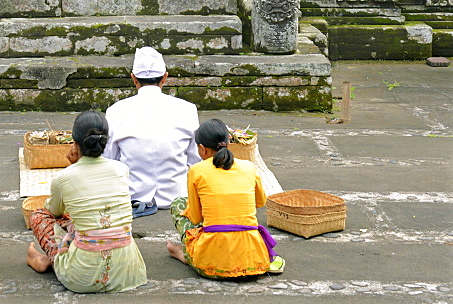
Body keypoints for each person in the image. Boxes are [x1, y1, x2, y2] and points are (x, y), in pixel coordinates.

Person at [27, 110, 147, 294]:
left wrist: (72, 167)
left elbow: (55, 212)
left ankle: (50, 260)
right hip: (129, 271)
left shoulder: (63, 177)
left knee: (39, 216)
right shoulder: (122, 169)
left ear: (74, 144)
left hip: (80, 277)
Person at [167, 118, 285, 279]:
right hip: (253, 261)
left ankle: (184, 254)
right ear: (229, 143)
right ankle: (187, 253)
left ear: (202, 148)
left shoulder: (197, 170)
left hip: (211, 265)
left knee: (179, 203)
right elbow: (260, 202)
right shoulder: (249, 167)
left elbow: (195, 218)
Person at [104, 46, 199, 217]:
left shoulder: (116, 111)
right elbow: (196, 160)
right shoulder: (188, 109)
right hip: (178, 197)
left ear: (133, 78)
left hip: (132, 196)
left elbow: (110, 159)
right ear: (165, 78)